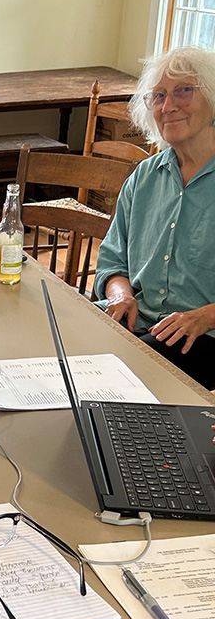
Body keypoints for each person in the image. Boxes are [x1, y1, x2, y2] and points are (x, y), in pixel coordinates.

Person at [95, 45, 215, 389]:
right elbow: (112, 261)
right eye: (159, 95)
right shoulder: (145, 176)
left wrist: (204, 316)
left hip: (201, 338)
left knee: (105, 380)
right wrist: (121, 296)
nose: (169, 106)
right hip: (141, 323)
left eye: (184, 91)